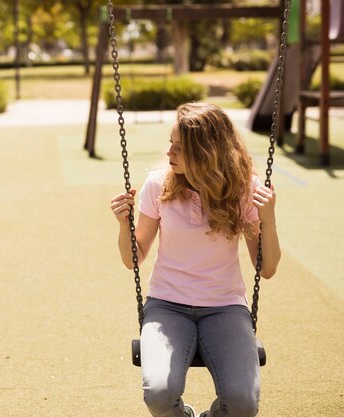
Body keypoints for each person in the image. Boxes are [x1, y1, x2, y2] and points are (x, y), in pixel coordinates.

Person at [110, 102, 280, 417]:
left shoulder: (244, 189)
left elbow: (266, 268)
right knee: (159, 395)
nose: (169, 152)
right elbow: (133, 258)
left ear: (205, 151)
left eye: (179, 147)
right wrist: (124, 225)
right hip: (167, 305)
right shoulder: (158, 184)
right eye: (170, 143)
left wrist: (267, 218)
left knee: (243, 405)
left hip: (225, 307)